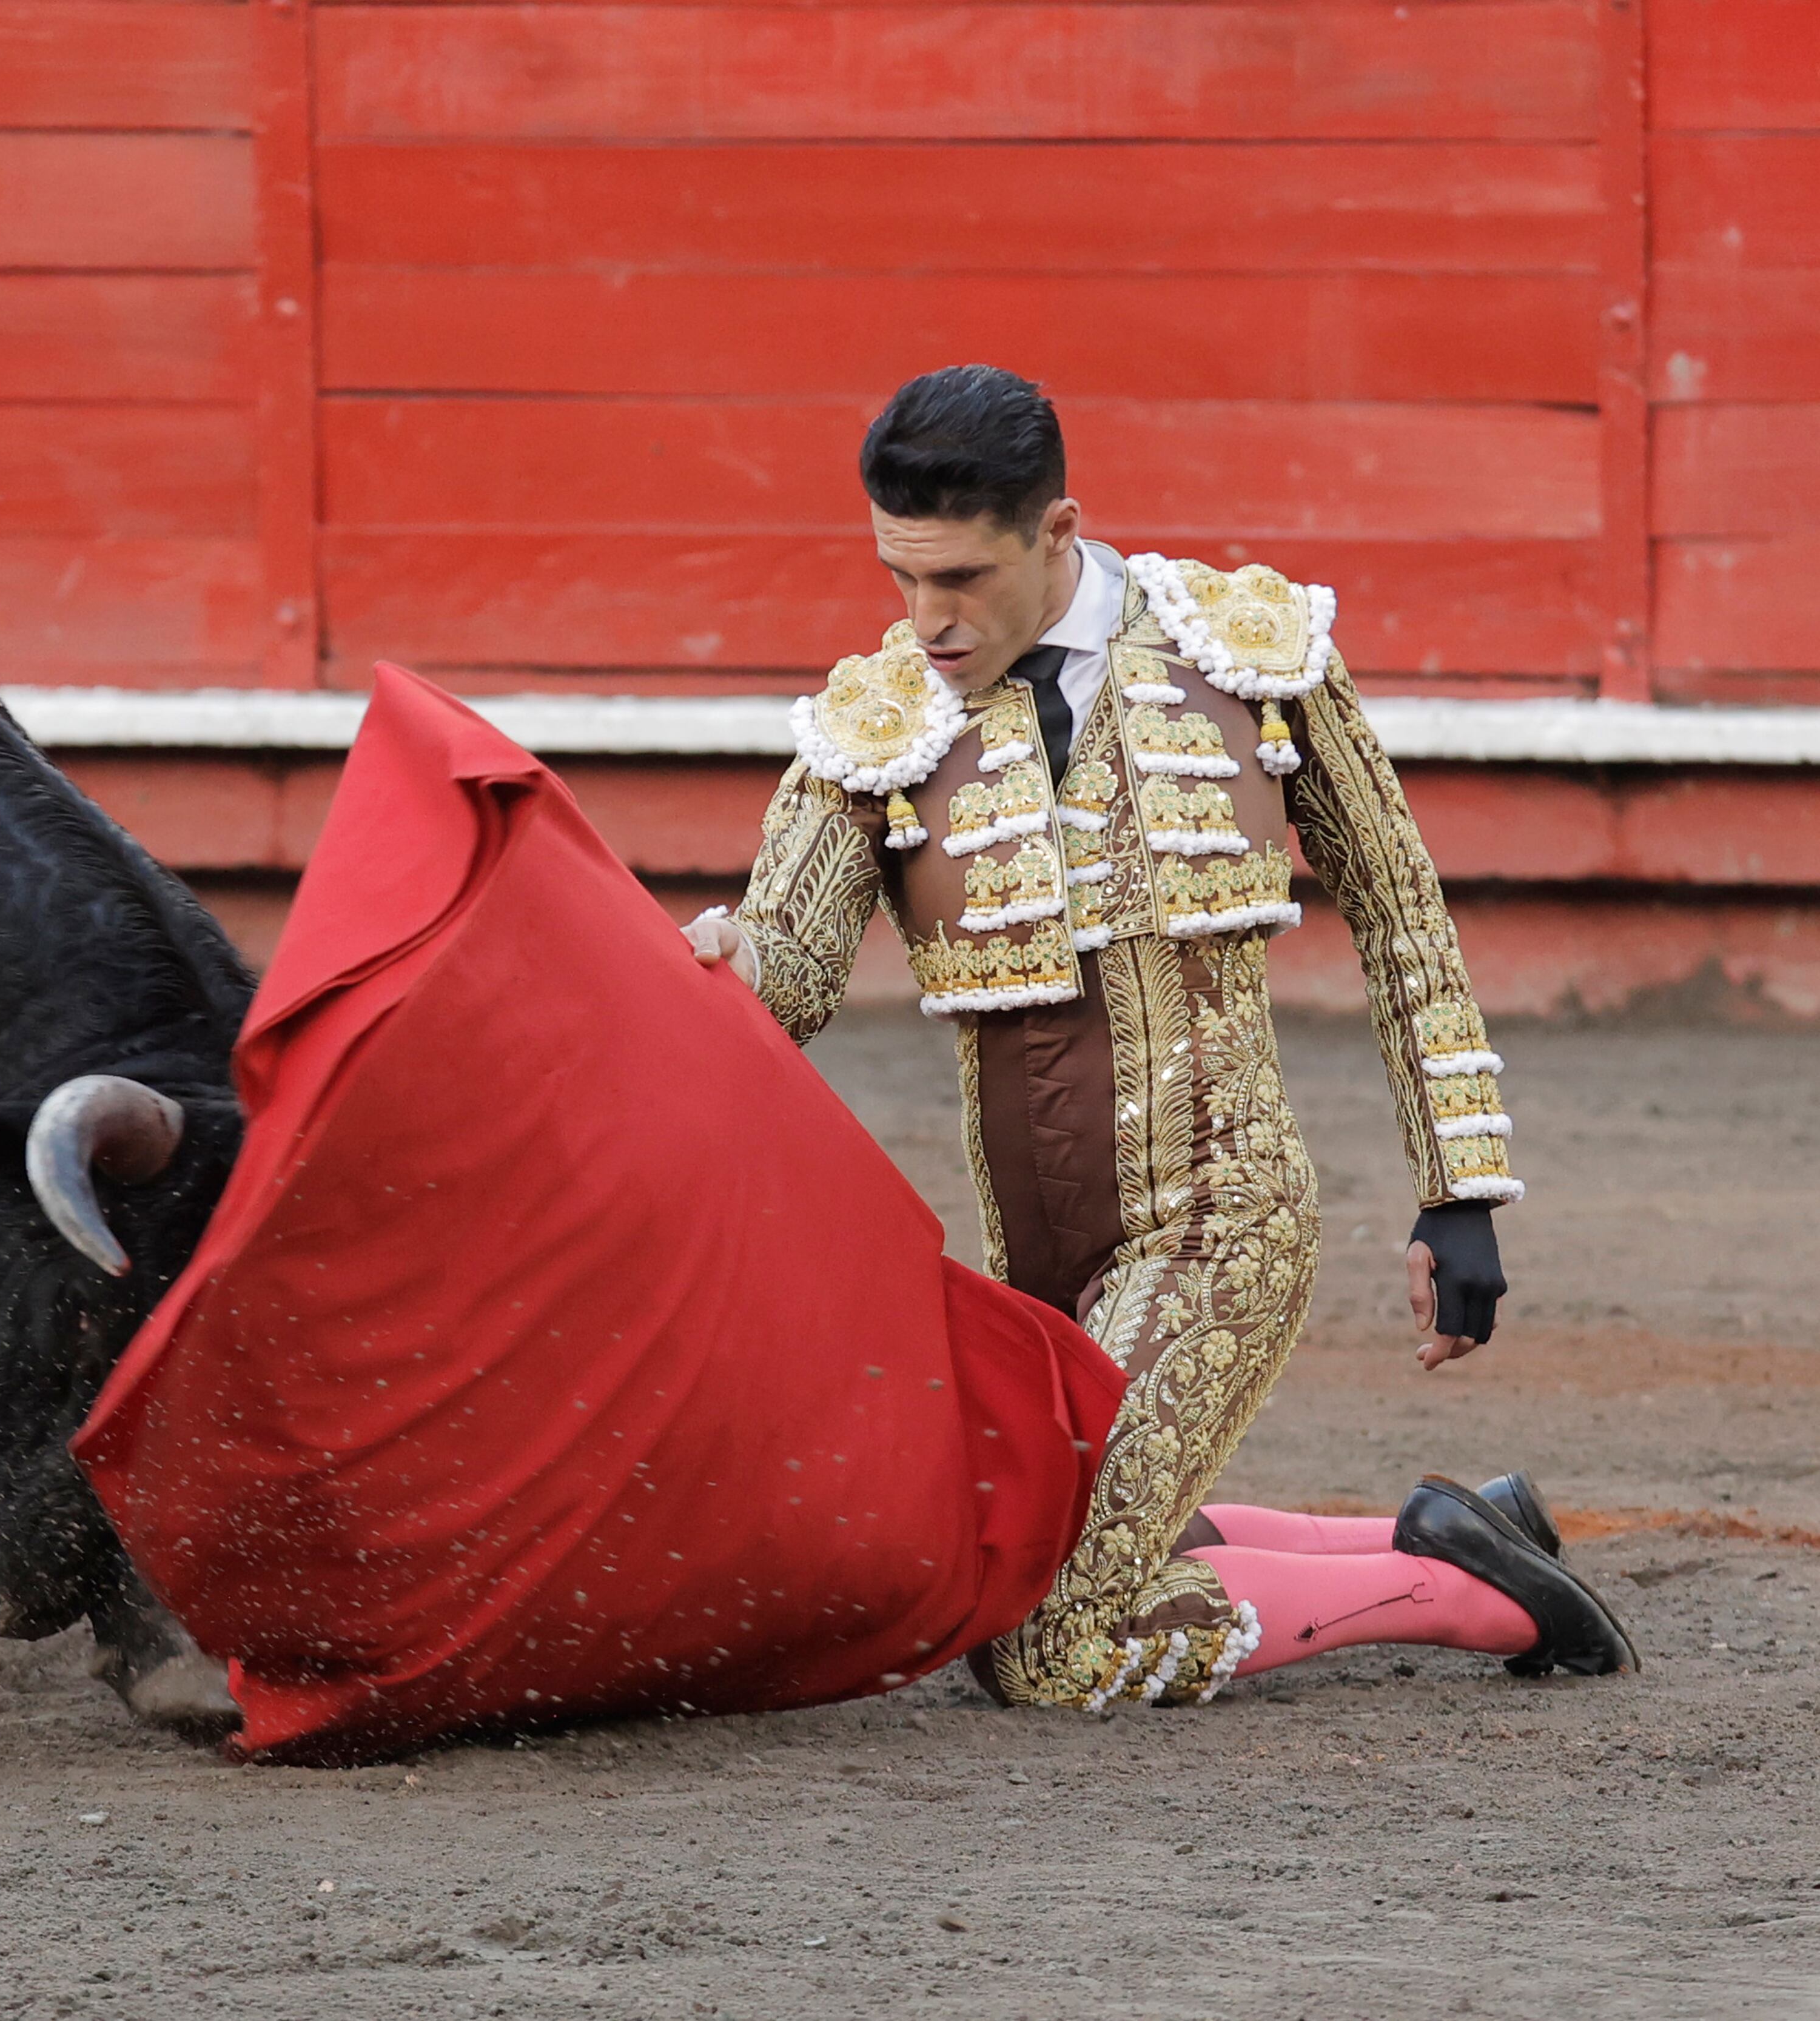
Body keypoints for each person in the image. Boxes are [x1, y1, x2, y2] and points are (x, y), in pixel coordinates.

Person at [686, 366, 1633, 1708]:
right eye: (901, 576)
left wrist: (1460, 1185)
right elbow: (783, 979)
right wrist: (717, 968)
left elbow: (1399, 908)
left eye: (960, 577)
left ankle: (1468, 1597)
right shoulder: (877, 725)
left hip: (1222, 1215)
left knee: (1049, 1651)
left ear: (1058, 532)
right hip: (1035, 1268)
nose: (927, 620)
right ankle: (1442, 1530)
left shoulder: (1243, 654)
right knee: (1015, 1570)